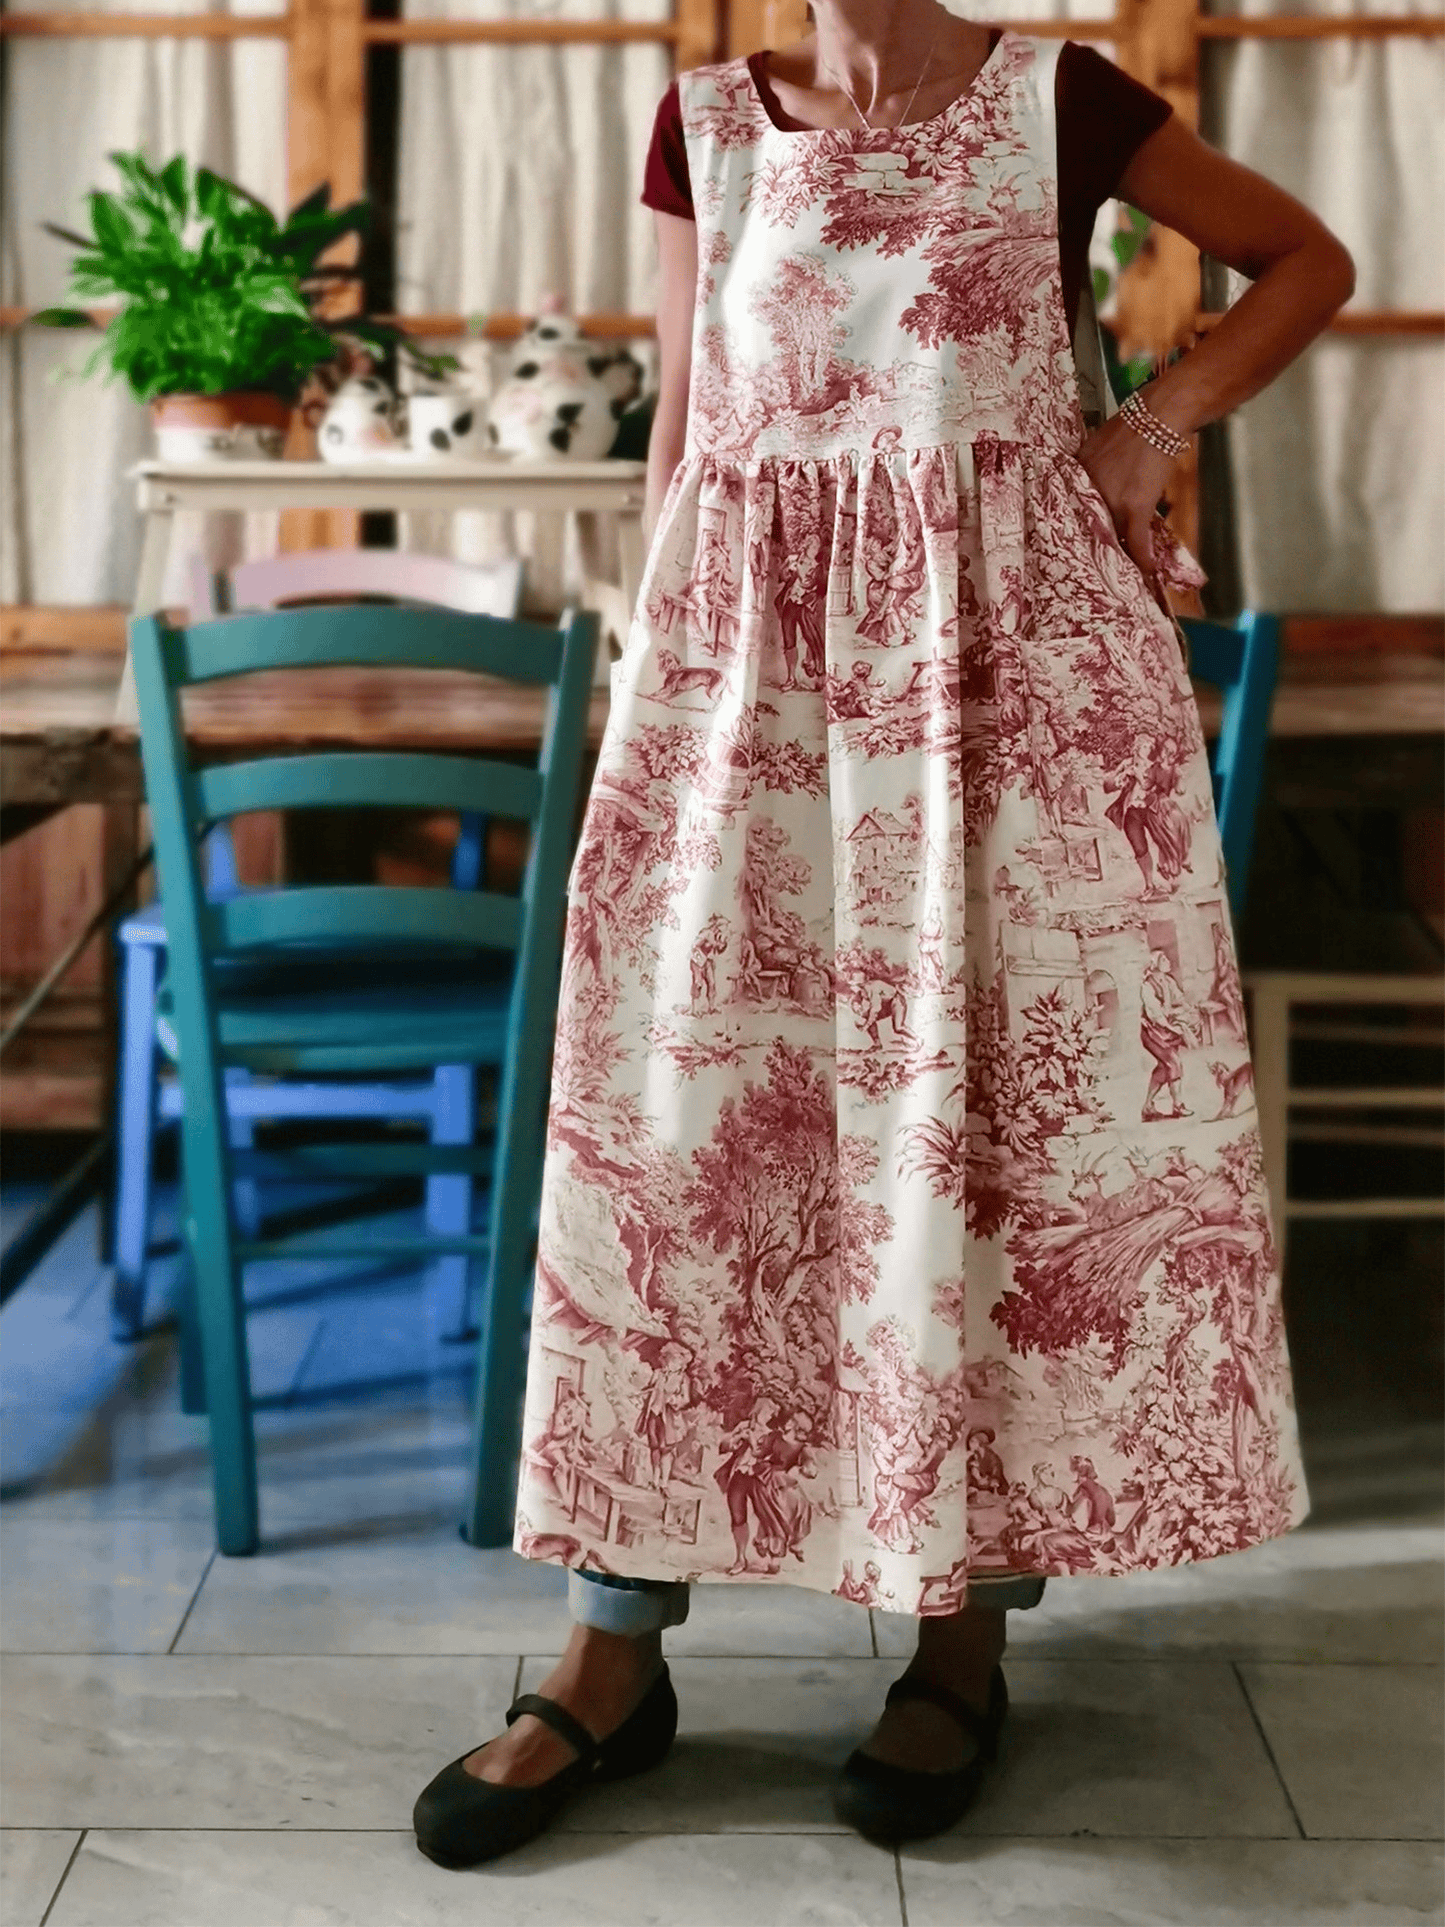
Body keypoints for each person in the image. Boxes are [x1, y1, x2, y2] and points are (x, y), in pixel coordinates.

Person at [414, 0, 1353, 1871]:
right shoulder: (702, 122)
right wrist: (652, 697)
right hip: (748, 696)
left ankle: (956, 1639)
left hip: (1011, 699)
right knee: (680, 1150)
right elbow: (689, 424)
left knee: (983, 1139)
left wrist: (1152, 422)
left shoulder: (1056, 94)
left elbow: (1305, 262)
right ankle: (612, 1656)